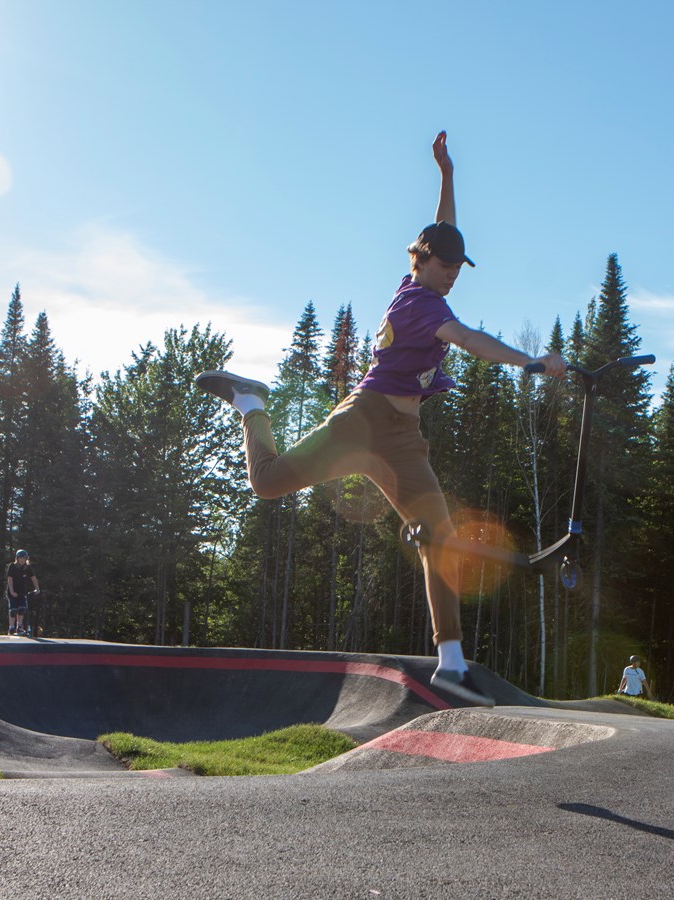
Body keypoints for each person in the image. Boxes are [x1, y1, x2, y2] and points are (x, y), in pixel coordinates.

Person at [194, 131, 566, 706]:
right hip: (362, 422)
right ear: (422, 261)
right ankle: (251, 403)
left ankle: (451, 665)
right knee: (267, 483)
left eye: (458, 268)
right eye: (446, 266)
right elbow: (468, 339)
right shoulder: (419, 305)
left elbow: (443, 226)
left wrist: (446, 174)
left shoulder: (419, 276)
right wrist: (531, 362)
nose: (453, 275)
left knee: (438, 538)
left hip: (403, 440)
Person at [6, 549, 40, 636]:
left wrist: (37, 589)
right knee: (13, 610)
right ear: (17, 558)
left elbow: (33, 578)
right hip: (13, 591)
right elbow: (10, 579)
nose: (22, 560)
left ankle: (19, 627)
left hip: (22, 592)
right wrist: (12, 591)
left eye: (24, 558)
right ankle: (11, 628)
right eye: (20, 558)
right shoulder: (12, 566)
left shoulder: (27, 567)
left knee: (22, 609)